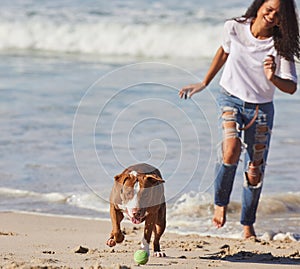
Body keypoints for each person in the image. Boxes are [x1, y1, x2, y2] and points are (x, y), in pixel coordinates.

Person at [179, 0, 299, 238]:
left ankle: (247, 223)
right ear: (260, 5)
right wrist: (204, 82)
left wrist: (272, 77)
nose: (272, 15)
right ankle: (220, 204)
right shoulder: (234, 27)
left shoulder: (280, 46)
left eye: (278, 13)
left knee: (254, 170)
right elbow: (224, 51)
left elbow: (292, 87)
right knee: (231, 150)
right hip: (230, 98)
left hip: (261, 110)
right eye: (270, 8)